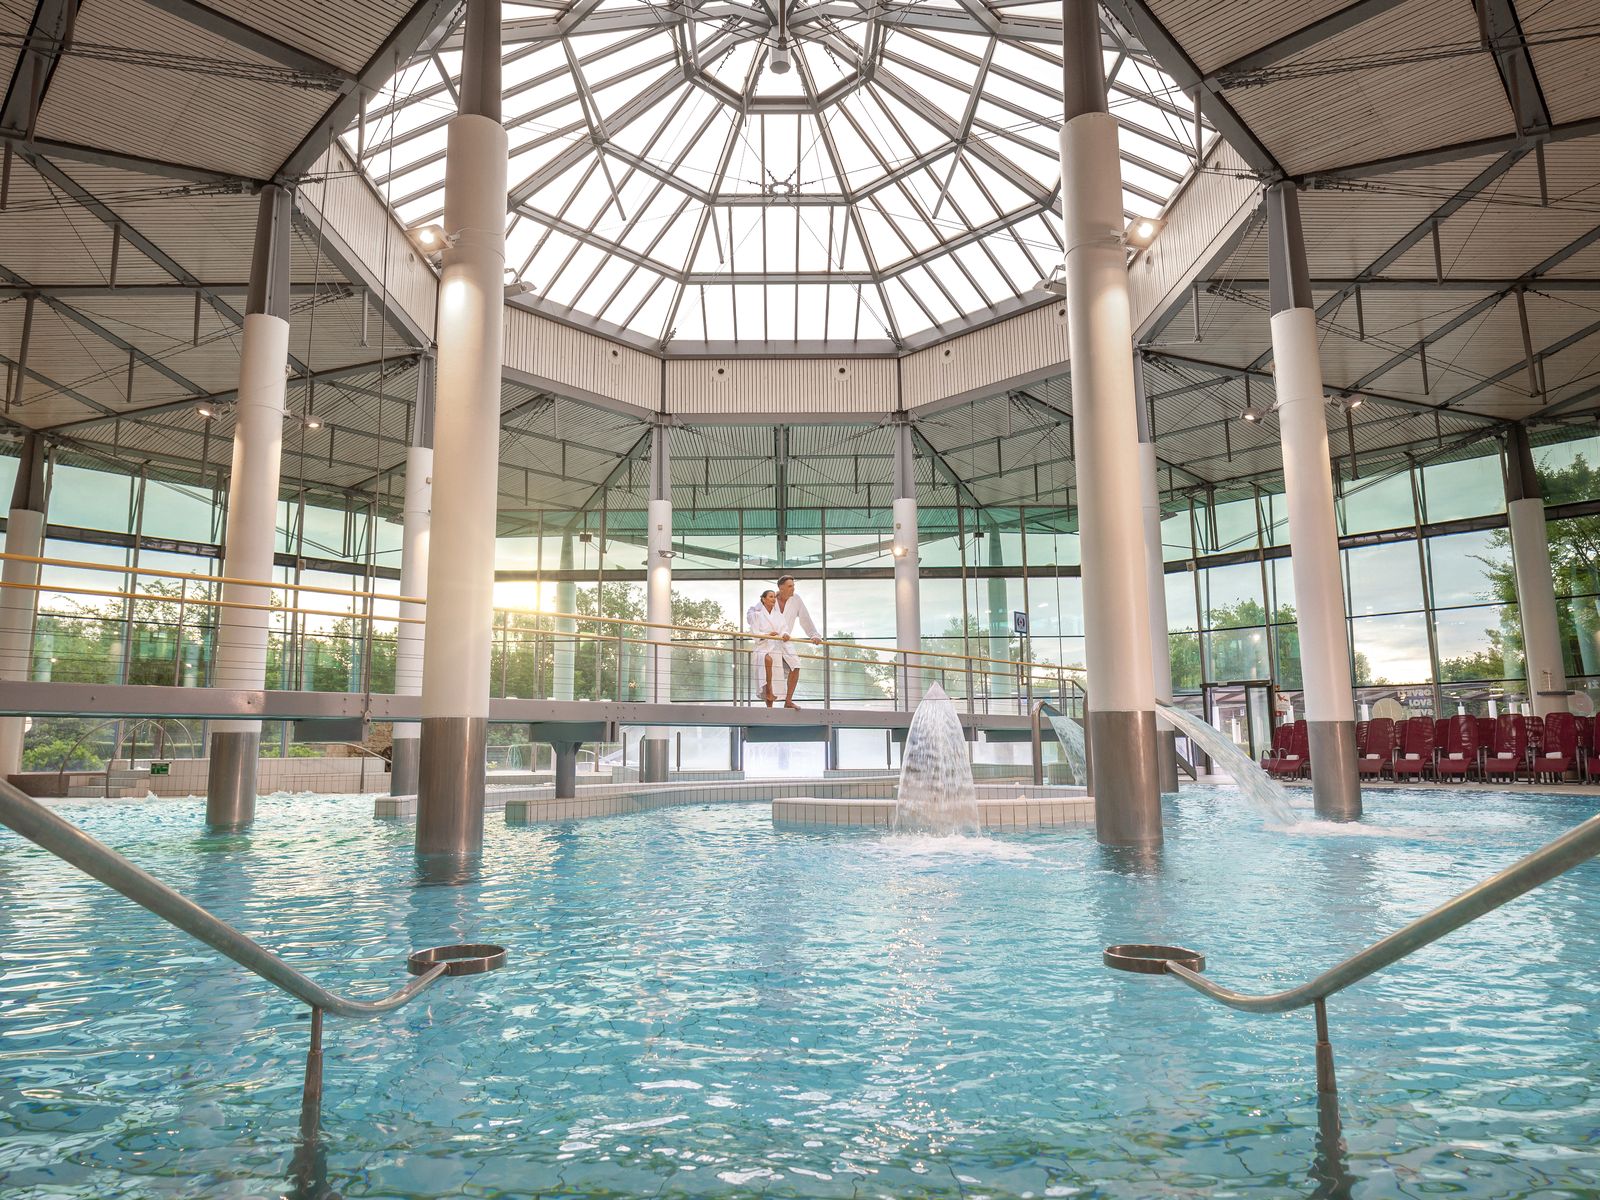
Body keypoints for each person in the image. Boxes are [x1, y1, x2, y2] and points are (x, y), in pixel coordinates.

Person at [770, 575, 821, 709]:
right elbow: (759, 617)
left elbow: (805, 618)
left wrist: (814, 635)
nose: (793, 589)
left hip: (785, 641)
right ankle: (769, 705)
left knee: (795, 665)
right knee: (769, 671)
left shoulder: (796, 599)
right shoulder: (770, 599)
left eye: (793, 586)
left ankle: (788, 701)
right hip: (769, 641)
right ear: (781, 588)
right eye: (790, 586)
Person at [746, 589, 784, 706]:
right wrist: (767, 635)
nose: (773, 599)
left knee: (777, 667)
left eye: (774, 597)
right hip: (762, 646)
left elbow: (784, 629)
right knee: (767, 659)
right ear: (763, 599)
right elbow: (754, 633)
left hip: (775, 646)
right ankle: (768, 691)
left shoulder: (778, 615)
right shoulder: (756, 615)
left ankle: (770, 705)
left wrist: (785, 634)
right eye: (771, 596)